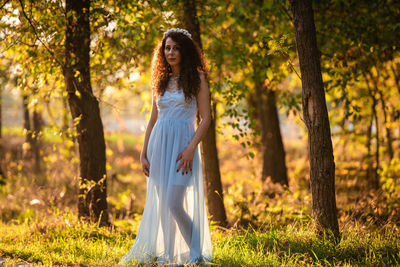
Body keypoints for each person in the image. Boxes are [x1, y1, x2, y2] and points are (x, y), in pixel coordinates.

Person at [119, 28, 213, 266]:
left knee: (173, 203)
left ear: (185, 51)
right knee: (164, 205)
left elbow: (207, 119)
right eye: (167, 48)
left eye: (176, 48)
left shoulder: (198, 79)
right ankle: (168, 256)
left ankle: (196, 254)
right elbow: (152, 120)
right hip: (159, 145)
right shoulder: (159, 81)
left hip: (184, 147)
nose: (170, 52)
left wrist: (191, 148)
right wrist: (143, 153)